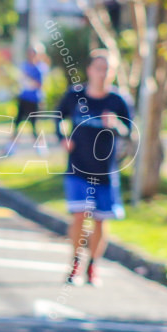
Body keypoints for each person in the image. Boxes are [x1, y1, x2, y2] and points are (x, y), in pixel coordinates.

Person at [55, 49, 132, 286]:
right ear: (89, 70)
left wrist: (116, 125)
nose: (102, 73)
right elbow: (58, 116)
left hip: (105, 171)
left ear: (113, 72)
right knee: (79, 215)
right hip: (77, 167)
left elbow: (129, 131)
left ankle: (93, 266)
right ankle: (75, 263)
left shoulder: (117, 101)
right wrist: (62, 137)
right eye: (98, 68)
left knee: (100, 219)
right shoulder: (75, 96)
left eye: (107, 69)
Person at [8, 42, 50, 153]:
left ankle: (41, 147)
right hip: (23, 98)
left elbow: (39, 84)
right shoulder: (25, 65)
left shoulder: (41, 68)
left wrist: (28, 80)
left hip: (34, 100)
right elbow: (20, 80)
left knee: (35, 125)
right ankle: (12, 146)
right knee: (17, 123)